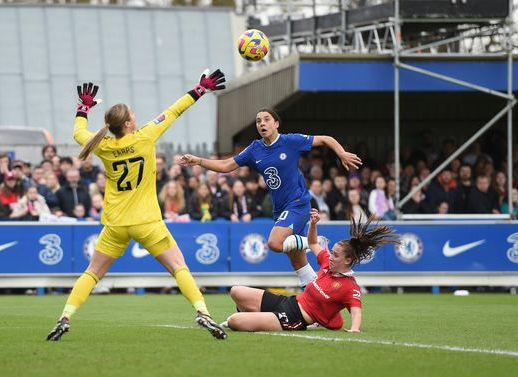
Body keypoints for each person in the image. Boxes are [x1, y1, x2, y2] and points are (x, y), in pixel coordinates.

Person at [47, 72, 228, 341]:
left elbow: (78, 133)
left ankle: (65, 316)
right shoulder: (145, 136)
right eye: (133, 114)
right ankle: (203, 312)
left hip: (115, 224)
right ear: (130, 123)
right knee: (179, 267)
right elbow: (174, 111)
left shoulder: (103, 146)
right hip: (147, 222)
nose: (136, 116)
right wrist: (200, 89)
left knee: (93, 273)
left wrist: (83, 109)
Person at [180, 109, 361, 286]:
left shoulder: (290, 141)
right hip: (280, 208)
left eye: (266, 119)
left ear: (276, 124)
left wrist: (341, 153)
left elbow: (325, 139)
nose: (262, 123)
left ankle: (314, 242)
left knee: (275, 243)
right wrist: (199, 161)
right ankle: (316, 299)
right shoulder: (255, 149)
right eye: (258, 121)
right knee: (298, 263)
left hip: (297, 203)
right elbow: (226, 165)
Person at [224, 209, 398, 333]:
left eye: (335, 255)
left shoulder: (350, 287)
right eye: (331, 253)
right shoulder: (326, 263)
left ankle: (256, 319)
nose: (330, 256)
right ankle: (258, 318)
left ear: (348, 260)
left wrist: (354, 329)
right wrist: (313, 224)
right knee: (236, 291)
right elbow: (313, 243)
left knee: (234, 321)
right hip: (289, 302)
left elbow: (356, 311)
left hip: (295, 318)